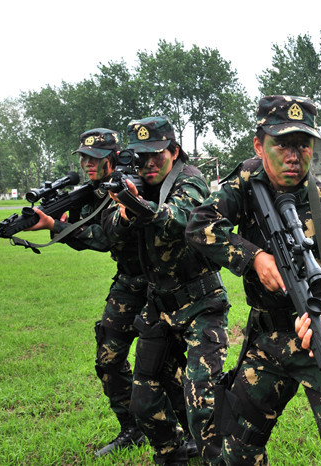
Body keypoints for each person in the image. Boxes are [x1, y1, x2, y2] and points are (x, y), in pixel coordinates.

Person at [185, 95, 321, 465]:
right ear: (259, 146)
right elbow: (199, 225)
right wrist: (253, 257)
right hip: (268, 336)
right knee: (237, 443)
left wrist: (319, 316)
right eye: (282, 144)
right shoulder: (248, 179)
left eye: (303, 145)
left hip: (319, 340)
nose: (294, 156)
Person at [103, 116, 229, 465]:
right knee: (144, 402)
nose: (148, 163)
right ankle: (173, 457)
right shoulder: (136, 184)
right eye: (141, 156)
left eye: (156, 155)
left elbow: (180, 218)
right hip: (159, 307)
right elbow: (109, 230)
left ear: (173, 151)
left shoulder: (190, 179)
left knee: (202, 401)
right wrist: (125, 210)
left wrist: (137, 205)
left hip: (201, 304)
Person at [25, 128, 148, 457]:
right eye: (83, 158)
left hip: (160, 282)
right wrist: (58, 220)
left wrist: (55, 226)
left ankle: (187, 433)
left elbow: (106, 238)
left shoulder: (128, 185)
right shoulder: (92, 191)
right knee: (108, 358)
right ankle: (132, 430)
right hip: (128, 282)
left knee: (167, 365)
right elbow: (83, 240)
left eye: (95, 158)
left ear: (113, 158)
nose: (87, 164)